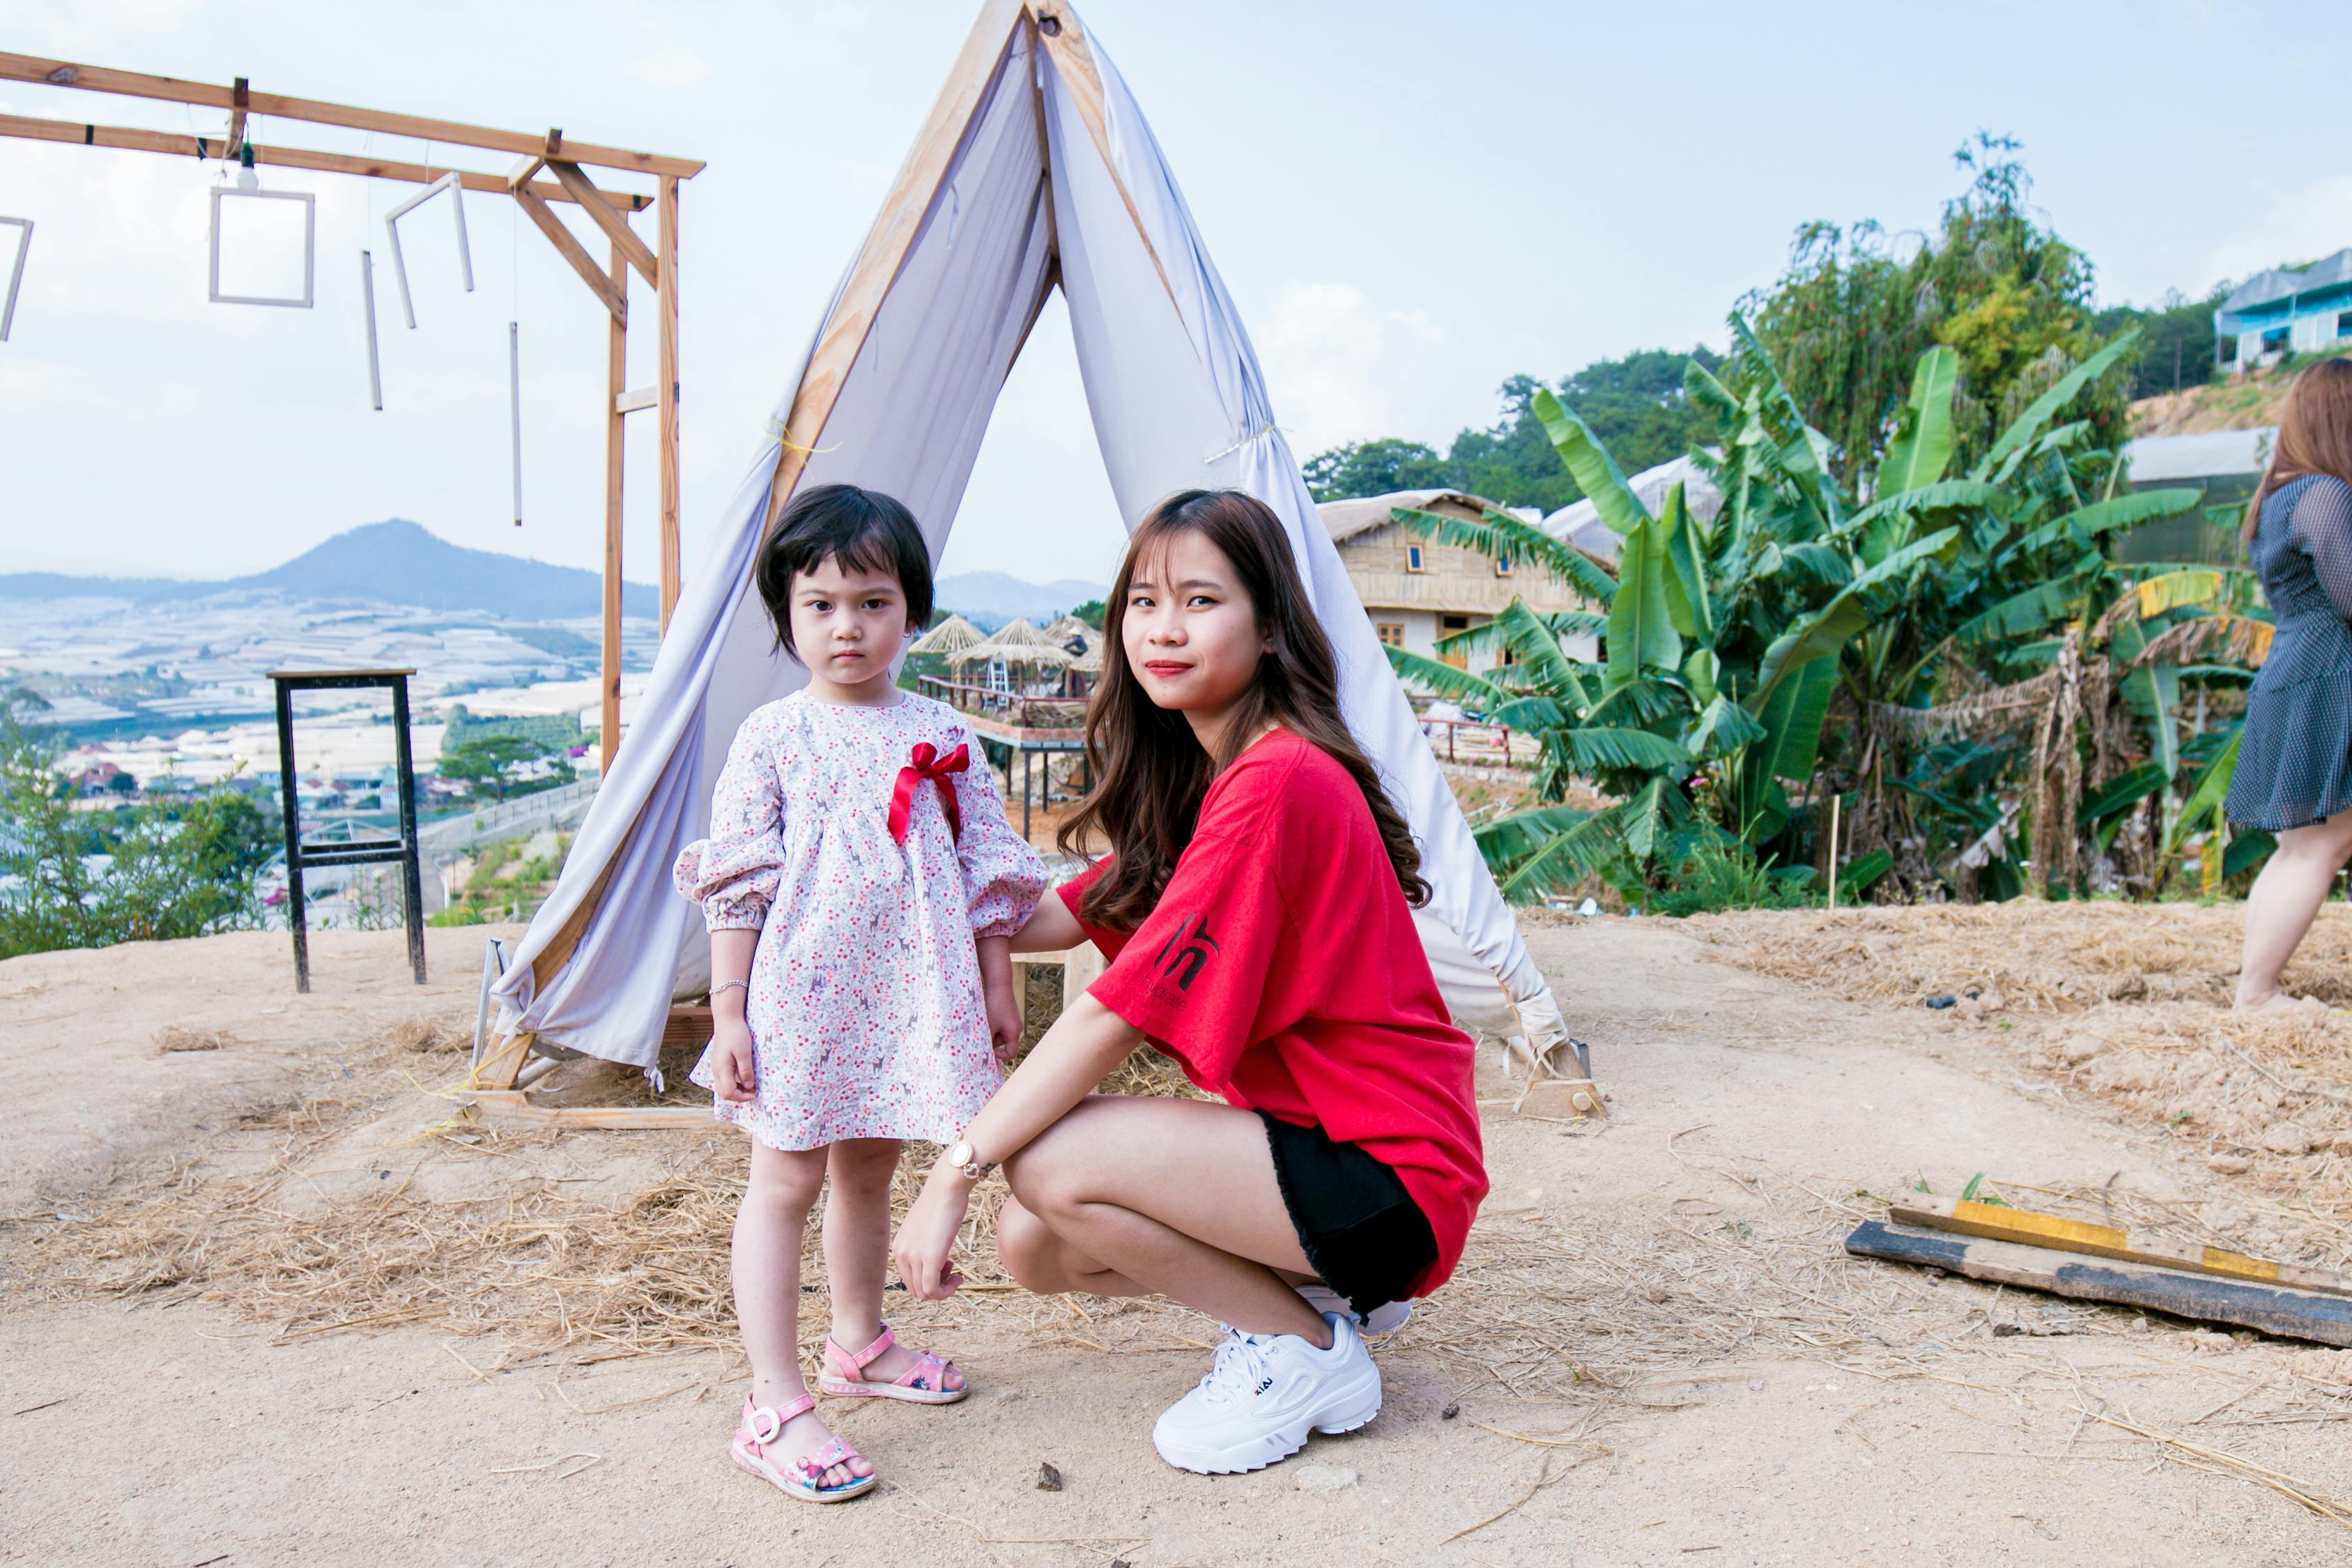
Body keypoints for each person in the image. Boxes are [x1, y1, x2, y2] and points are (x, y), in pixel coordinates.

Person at [891, 489, 1488, 1476]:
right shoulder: (1214, 780)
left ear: (1267, 628)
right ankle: (1328, 1303)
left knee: (1047, 1160)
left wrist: (953, 1167)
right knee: (1034, 1243)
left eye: (1201, 601)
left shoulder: (1275, 783)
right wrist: (902, 879)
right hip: (1330, 1155)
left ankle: (1301, 1350)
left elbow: (1106, 1018)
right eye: (1142, 601)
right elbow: (1047, 917)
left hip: (1388, 1170)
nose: (1163, 628)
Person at [673, 483, 1045, 1502]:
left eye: (873, 601)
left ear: (911, 611)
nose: (847, 625)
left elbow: (985, 869)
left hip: (907, 999)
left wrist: (995, 978)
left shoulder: (943, 731)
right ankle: (773, 1402)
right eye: (821, 603)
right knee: (784, 1182)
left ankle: (857, 1340)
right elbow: (738, 877)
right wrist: (733, 1005)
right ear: (787, 616)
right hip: (801, 999)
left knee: (870, 1170)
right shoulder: (772, 736)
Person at [2229, 360, 2352, 1010]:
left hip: (2298, 669)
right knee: (2317, 846)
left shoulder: (2277, 496)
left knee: (2304, 846)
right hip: (2327, 675)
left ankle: (2256, 986)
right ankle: (2256, 992)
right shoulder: (2326, 493)